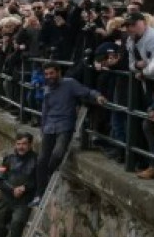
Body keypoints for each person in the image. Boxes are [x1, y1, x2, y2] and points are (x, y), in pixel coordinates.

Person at [30, 63, 107, 206]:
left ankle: (48, 175)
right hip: (49, 127)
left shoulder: (69, 84)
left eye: (51, 73)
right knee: (41, 160)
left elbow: (86, 91)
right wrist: (43, 127)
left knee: (57, 154)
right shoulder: (47, 89)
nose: (49, 77)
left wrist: (97, 96)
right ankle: (39, 194)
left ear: (58, 72)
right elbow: (45, 111)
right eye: (46, 74)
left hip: (64, 125)